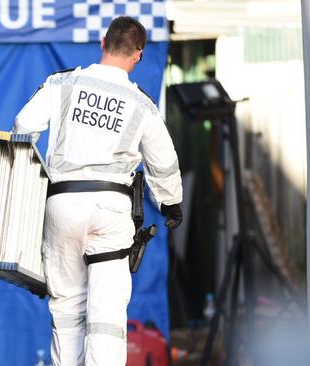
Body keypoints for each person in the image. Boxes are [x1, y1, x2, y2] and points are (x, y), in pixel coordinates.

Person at [11, 16, 183, 366]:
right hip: (110, 208)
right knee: (106, 314)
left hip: (63, 204)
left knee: (67, 308)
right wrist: (170, 203)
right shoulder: (141, 104)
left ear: (103, 42)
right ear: (138, 55)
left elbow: (22, 126)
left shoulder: (63, 83)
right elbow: (163, 161)